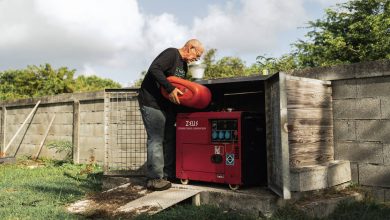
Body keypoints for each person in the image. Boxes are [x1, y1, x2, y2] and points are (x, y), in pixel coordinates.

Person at [138, 39, 204, 191]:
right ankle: (154, 179)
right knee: (156, 138)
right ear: (190, 47)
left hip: (166, 105)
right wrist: (170, 88)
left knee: (170, 137)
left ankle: (167, 174)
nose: (197, 58)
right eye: (198, 54)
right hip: (151, 101)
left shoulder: (184, 65)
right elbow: (154, 69)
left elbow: (179, 86)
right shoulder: (171, 54)